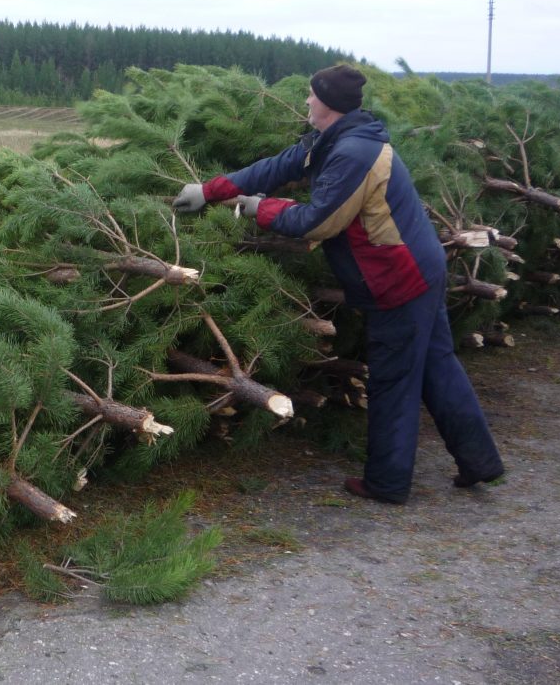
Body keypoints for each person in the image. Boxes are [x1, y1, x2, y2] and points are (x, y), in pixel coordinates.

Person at [172, 64, 504, 504]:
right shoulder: (337, 139)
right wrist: (211, 190)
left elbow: (318, 222)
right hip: (419, 268)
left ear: (327, 102)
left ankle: (387, 483)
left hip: (399, 278)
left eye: (311, 96)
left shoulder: (353, 152)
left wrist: (256, 207)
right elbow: (280, 164)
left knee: (393, 379)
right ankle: (479, 463)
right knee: (436, 366)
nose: (306, 102)